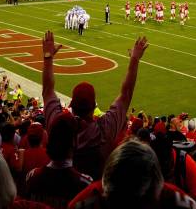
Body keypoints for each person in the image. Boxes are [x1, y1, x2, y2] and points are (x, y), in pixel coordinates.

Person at [41, 30, 148, 181]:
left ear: (71, 105)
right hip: (94, 194)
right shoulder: (104, 131)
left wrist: (48, 56)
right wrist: (135, 59)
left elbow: (47, 90)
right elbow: (126, 94)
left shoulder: (58, 125)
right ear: (93, 107)